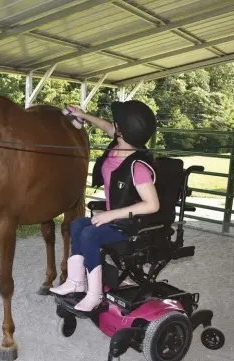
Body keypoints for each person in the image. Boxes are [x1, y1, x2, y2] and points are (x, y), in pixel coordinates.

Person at [51, 100, 160, 313]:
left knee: (90, 234)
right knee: (77, 225)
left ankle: (94, 294)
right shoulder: (119, 143)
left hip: (130, 226)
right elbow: (104, 125)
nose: (113, 125)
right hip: (115, 219)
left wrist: (111, 214)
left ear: (122, 131)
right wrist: (83, 115)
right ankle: (76, 282)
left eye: (116, 124)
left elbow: (153, 204)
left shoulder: (137, 166)